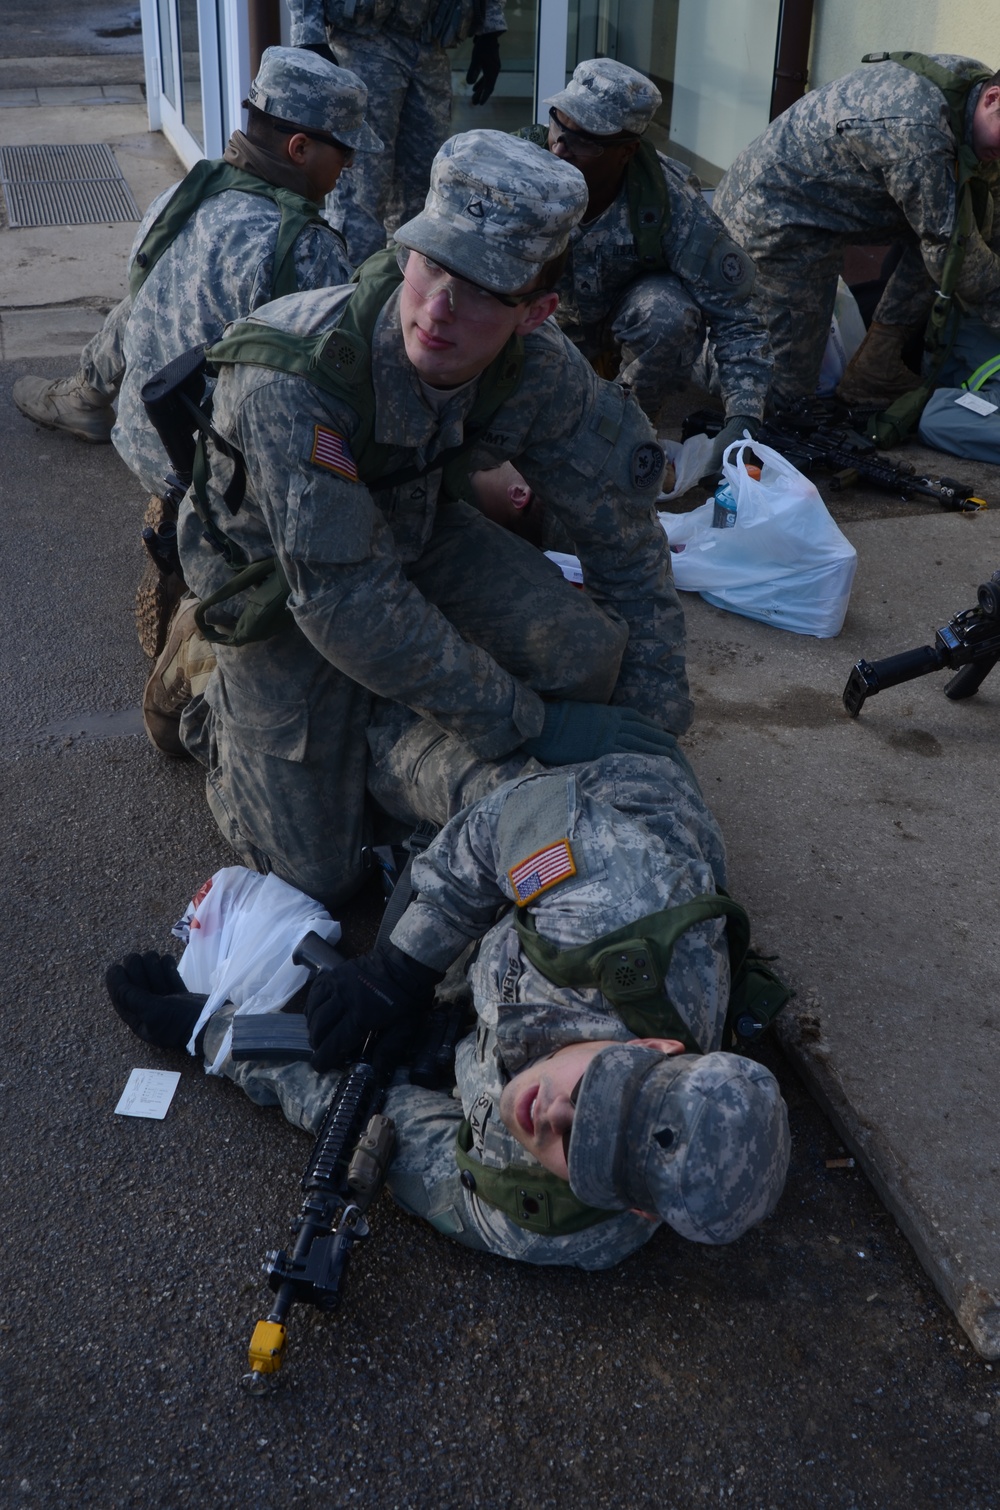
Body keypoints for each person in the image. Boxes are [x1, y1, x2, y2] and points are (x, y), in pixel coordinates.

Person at [168, 129, 693, 911]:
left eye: (484, 288)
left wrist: (661, 737)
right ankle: (209, 704)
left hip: (411, 530)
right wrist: (524, 721)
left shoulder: (540, 370)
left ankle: (384, 721)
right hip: (279, 577)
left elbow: (627, 548)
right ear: (404, 249)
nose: (440, 308)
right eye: (432, 264)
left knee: (587, 653)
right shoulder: (298, 376)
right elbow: (346, 603)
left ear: (537, 310)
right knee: (316, 877)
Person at [106, 750, 791, 1266]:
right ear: (652, 1049)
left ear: (634, 1208)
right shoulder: (614, 914)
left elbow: (381, 1125)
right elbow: (509, 824)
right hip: (596, 791)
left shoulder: (557, 1218)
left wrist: (213, 1035)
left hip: (514, 957)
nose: (550, 1114)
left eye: (582, 1148)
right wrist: (400, 966)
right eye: (593, 1091)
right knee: (367, 768)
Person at [12, 45, 379, 493]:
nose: (350, 167)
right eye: (345, 154)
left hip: (139, 440)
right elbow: (331, 387)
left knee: (158, 289)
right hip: (214, 482)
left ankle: (89, 393)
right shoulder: (308, 248)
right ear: (299, 148)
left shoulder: (181, 196)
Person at [516, 57, 771, 468]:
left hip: (622, 336)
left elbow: (737, 316)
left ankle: (626, 432)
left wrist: (742, 419)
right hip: (539, 330)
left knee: (669, 313)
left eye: (585, 140)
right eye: (558, 125)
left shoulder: (669, 201)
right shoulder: (513, 174)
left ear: (626, 151)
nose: (560, 147)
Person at [713, 51, 1000, 414]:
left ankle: (875, 366)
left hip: (830, 211)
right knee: (782, 401)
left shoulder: (974, 95)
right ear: (993, 99)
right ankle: (689, 345)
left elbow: (988, 210)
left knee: (955, 223)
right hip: (776, 219)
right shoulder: (918, 132)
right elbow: (958, 260)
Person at [287, 0, 507, 263]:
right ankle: (352, 296)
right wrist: (308, 34)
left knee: (426, 193)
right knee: (360, 194)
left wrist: (489, 30)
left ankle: (403, 291)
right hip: (364, 42)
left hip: (430, 44)